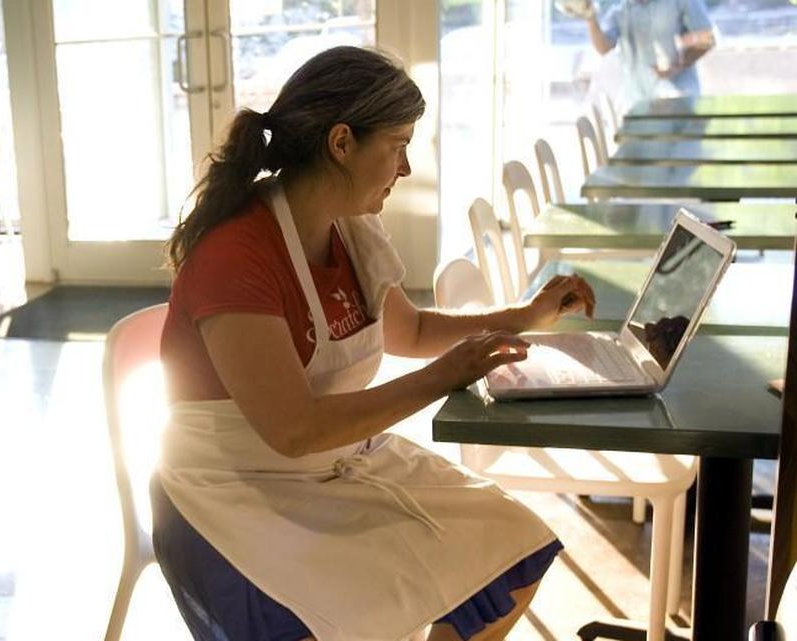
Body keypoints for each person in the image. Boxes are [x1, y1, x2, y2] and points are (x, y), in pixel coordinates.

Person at [154, 46, 597, 641]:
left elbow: (409, 332)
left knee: (512, 547)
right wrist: (445, 375)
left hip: (330, 465)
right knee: (349, 614)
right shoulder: (237, 257)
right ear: (342, 143)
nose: (406, 168)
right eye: (398, 146)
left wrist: (523, 316)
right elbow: (294, 429)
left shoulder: (350, 226)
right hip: (229, 494)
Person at [578, 0, 716, 110]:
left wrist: (678, 65)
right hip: (637, 104)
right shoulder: (618, 9)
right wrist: (590, 18)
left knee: (682, 145)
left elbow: (708, 39)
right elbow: (604, 49)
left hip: (679, 102)